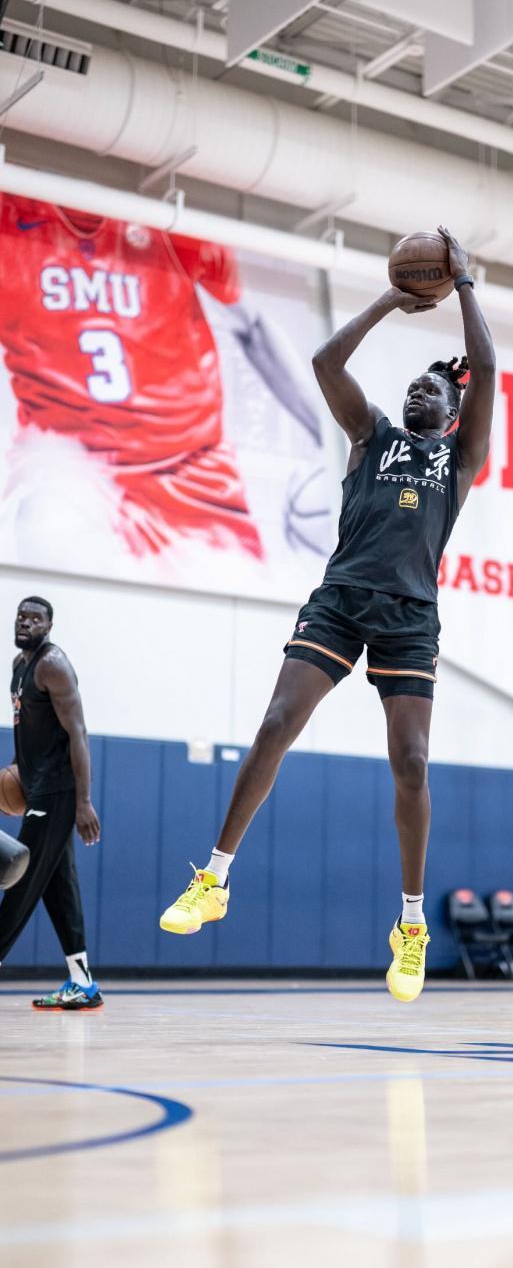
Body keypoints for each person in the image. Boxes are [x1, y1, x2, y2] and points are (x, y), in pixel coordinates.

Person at [159, 226, 496, 1002]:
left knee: (411, 762)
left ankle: (410, 924)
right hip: (341, 599)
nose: (418, 392)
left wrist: (464, 284)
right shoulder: (371, 435)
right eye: (413, 386)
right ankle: (215, 878)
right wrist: (391, 299)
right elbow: (323, 364)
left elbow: (487, 370)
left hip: (410, 614)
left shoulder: (459, 458)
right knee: (278, 722)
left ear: (452, 411)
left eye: (433, 390)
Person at [0, 195, 324, 575]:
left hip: (188, 466)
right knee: (45, 529)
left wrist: (334, 437)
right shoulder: (12, 219)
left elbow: (253, 329)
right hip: (69, 461)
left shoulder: (169, 217)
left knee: (236, 591)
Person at [0, 597, 102, 1009]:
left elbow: (78, 733)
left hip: (59, 789)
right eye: (21, 617)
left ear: (49, 626)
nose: (26, 623)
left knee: (20, 878)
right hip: (37, 784)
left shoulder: (53, 665)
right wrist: (17, 768)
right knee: (59, 887)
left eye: (35, 619)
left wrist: (84, 802)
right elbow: (28, 730)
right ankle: (82, 982)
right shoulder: (18, 666)